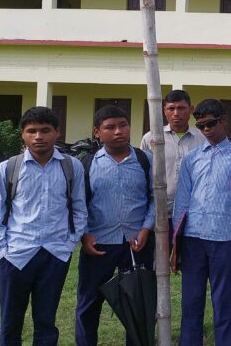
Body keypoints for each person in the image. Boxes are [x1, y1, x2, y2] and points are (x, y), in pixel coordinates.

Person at [0, 107, 87, 346]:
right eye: (32, 131)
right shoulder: (8, 168)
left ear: (57, 132)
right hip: (16, 255)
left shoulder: (72, 167)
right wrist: (2, 252)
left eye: (45, 130)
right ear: (23, 134)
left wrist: (69, 244)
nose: (38, 137)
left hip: (54, 255)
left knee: (46, 321)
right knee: (10, 322)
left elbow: (80, 209)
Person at [75, 105, 155, 346]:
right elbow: (79, 204)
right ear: (97, 132)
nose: (119, 131)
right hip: (98, 244)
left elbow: (155, 198)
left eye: (123, 125)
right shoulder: (86, 164)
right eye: (110, 127)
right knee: (89, 303)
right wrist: (84, 235)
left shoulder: (144, 159)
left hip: (136, 243)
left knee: (138, 303)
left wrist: (146, 228)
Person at [173, 99, 231, 346]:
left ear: (224, 120)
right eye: (201, 125)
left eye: (211, 124)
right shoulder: (192, 158)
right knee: (191, 302)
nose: (206, 130)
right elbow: (181, 203)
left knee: (222, 302)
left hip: (224, 238)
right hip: (193, 239)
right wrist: (176, 242)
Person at [140, 89, 206, 218]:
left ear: (191, 109)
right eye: (171, 109)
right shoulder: (151, 138)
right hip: (159, 211)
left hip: (194, 211)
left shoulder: (202, 139)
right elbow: (143, 174)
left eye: (181, 108)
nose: (176, 113)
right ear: (164, 111)